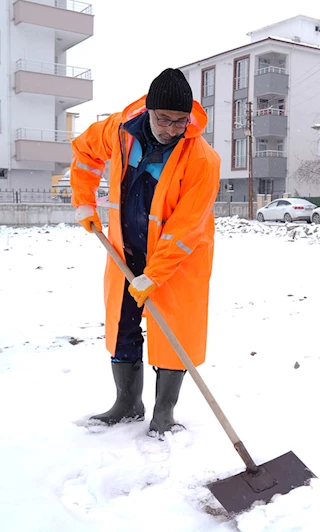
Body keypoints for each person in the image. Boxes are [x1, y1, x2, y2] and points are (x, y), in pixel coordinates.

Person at [71, 68, 221, 435]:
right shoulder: (118, 130)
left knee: (174, 331)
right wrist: (84, 203)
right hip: (125, 249)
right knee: (123, 325)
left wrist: (154, 275)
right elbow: (85, 154)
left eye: (180, 122)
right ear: (149, 111)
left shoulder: (203, 159)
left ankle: (164, 414)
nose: (172, 129)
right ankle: (127, 403)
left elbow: (185, 229)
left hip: (179, 259)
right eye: (164, 119)